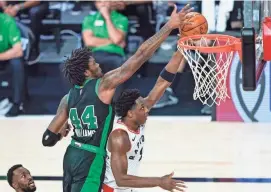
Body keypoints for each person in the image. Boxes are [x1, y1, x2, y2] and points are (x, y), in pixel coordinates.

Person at [41, 4, 193, 192]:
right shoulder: (102, 86)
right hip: (91, 160)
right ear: (87, 72)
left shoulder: (67, 97)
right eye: (94, 64)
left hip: (71, 155)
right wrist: (169, 26)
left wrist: (61, 132)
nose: (99, 65)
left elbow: (48, 139)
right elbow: (140, 55)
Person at [103, 51, 186, 192]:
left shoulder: (136, 119)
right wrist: (159, 181)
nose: (147, 110)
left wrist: (180, 51)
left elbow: (163, 82)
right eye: (142, 108)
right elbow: (120, 179)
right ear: (130, 113)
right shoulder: (119, 136)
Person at [0, 12, 25, 117]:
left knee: (16, 63)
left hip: (6, 57)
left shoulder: (7, 21)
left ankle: (17, 103)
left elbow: (18, 50)